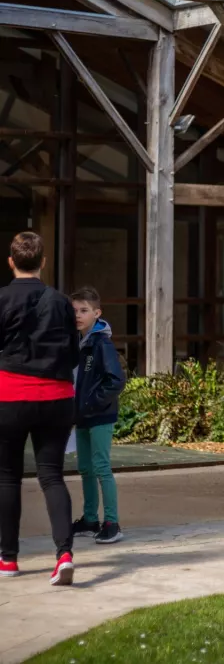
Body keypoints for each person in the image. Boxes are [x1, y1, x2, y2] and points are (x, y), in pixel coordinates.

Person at [0, 232, 78, 585]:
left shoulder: (1, 299)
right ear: (43, 262)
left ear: (11, 261)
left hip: (9, 396)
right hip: (56, 398)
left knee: (6, 477)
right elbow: (74, 353)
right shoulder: (61, 301)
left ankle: (8, 560)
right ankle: (63, 554)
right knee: (51, 475)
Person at [71, 286, 126, 544]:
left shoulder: (101, 343)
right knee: (85, 468)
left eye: (84, 310)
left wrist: (93, 402)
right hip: (82, 416)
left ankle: (112, 523)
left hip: (100, 416)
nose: (78, 315)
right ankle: (90, 519)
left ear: (97, 313)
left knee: (101, 467)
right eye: (75, 311)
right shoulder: (80, 342)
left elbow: (116, 380)